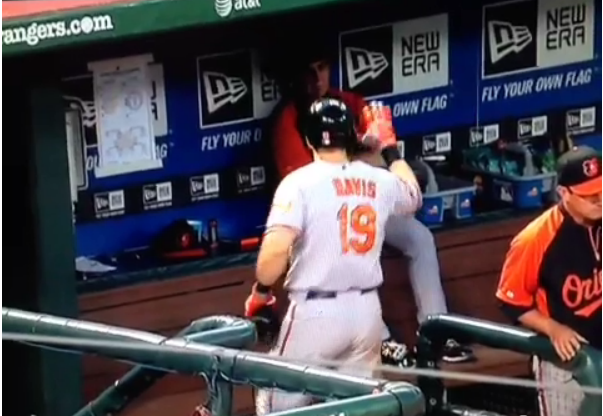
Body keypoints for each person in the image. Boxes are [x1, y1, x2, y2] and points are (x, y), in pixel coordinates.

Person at [268, 45, 473, 364]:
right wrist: (367, 153)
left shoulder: (348, 103)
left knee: (420, 237)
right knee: (350, 259)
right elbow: (319, 176)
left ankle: (435, 332)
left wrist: (367, 156)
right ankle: (385, 341)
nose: (317, 78)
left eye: (322, 67)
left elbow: (374, 164)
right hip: (321, 220)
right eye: (309, 70)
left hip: (362, 203)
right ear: (296, 77)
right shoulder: (289, 120)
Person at [245, 98, 422, 415]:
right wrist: (389, 148)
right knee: (357, 408)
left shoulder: (298, 183)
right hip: (367, 312)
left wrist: (261, 291)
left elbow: (273, 255)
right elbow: (413, 195)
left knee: (276, 401)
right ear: (351, 136)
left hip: (317, 313)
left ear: (308, 139)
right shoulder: (377, 179)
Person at [496, 146, 602, 416]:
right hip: (565, 362)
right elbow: (512, 301)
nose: (599, 200)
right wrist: (553, 328)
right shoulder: (536, 239)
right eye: (590, 195)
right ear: (564, 193)